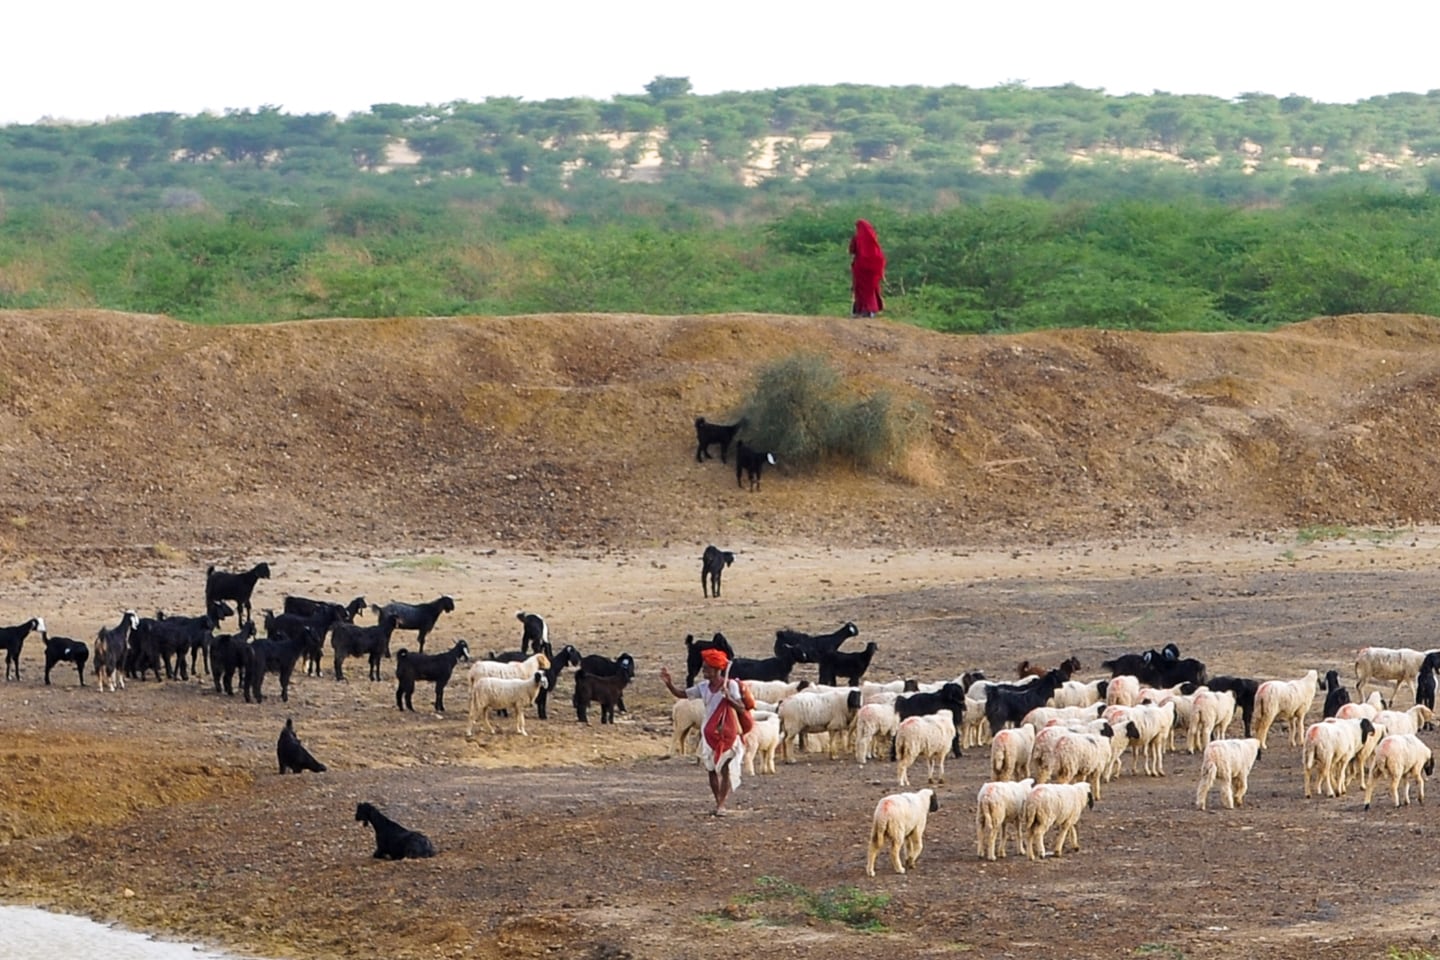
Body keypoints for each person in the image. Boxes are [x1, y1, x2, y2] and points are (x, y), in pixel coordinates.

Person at [660, 648, 747, 816]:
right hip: (708, 732)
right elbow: (682, 694)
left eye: (707, 668)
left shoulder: (731, 686)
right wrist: (669, 684)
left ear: (716, 670)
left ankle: (721, 804)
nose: (704, 671)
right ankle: (718, 802)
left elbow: (741, 708)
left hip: (726, 731)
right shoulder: (703, 687)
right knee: (711, 768)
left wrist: (728, 698)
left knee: (725, 768)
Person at [849, 219, 886, 318]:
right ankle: (871, 310)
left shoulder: (857, 238)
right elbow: (879, 256)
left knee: (861, 290)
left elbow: (851, 250)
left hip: (860, 268)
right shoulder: (873, 238)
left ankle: (862, 310)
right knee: (871, 290)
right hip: (873, 270)